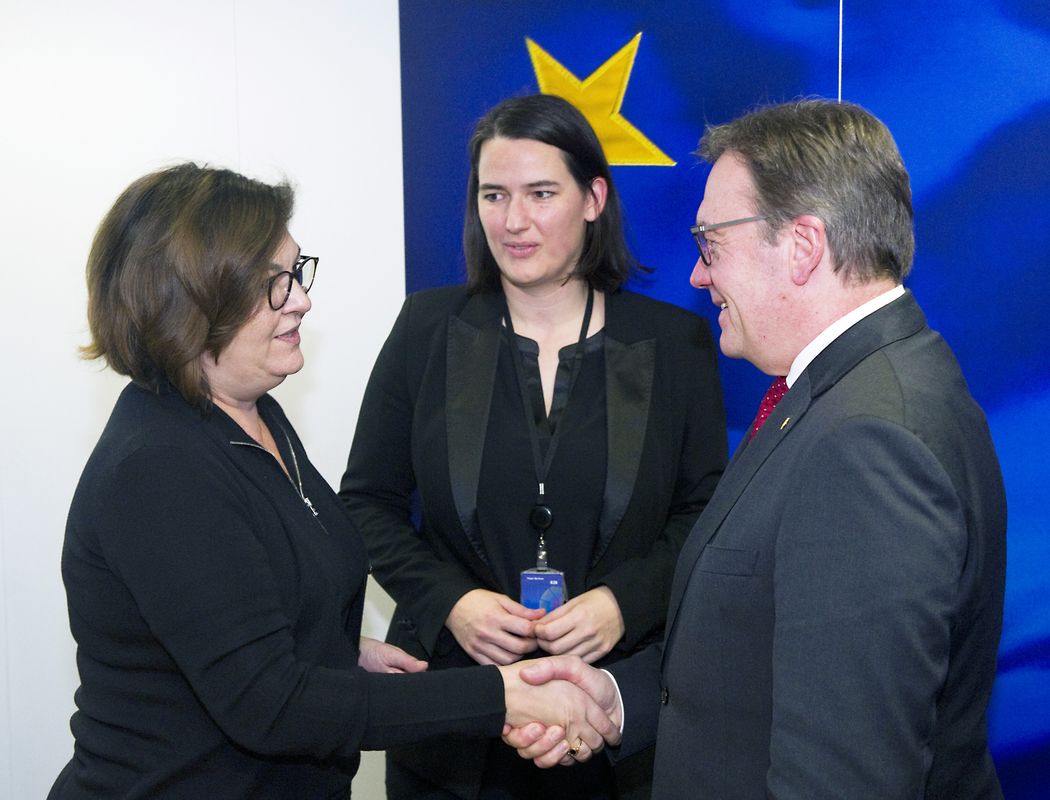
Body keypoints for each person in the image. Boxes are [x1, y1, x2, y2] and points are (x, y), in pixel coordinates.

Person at [48, 163, 621, 800]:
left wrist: (343, 654)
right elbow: (272, 706)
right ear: (189, 302)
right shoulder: (158, 466)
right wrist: (501, 696)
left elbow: (253, 613)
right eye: (273, 284)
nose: (301, 298)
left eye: (296, 271)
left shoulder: (253, 414)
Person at [507, 98, 1008, 799]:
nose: (697, 274)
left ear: (802, 246)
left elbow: (843, 777)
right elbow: (765, 649)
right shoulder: (840, 392)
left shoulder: (868, 440)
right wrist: (615, 699)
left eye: (711, 243)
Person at [339, 94, 727, 799]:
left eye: (541, 193)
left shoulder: (676, 343)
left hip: (613, 725)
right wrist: (453, 603)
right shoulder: (426, 330)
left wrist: (624, 604)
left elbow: (705, 516)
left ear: (593, 199)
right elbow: (366, 504)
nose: (513, 221)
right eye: (494, 195)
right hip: (453, 726)